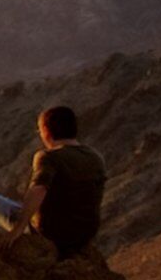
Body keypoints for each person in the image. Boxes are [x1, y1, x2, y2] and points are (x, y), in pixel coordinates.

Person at [7, 103, 106, 257]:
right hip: (85, 234)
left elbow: (38, 189)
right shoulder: (96, 157)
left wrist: (18, 228)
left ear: (46, 131)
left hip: (52, 233)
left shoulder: (49, 157)